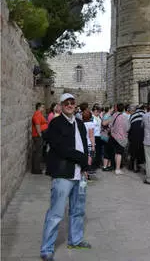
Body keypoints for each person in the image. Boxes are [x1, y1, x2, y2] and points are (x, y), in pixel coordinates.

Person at [40, 93, 91, 261]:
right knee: (56, 213)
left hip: (79, 174)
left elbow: (84, 145)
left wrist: (85, 166)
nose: (70, 105)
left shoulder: (80, 124)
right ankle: (47, 249)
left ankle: (75, 239)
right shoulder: (55, 124)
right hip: (63, 174)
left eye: (72, 102)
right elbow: (60, 149)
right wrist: (83, 158)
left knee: (78, 210)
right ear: (61, 105)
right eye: (66, 103)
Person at [109, 103, 129, 175]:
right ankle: (117, 169)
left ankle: (116, 167)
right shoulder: (124, 117)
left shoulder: (114, 115)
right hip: (121, 137)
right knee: (119, 153)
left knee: (116, 153)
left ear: (116, 108)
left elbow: (110, 125)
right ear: (123, 109)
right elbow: (127, 127)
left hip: (113, 136)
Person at [32, 102, 48, 174]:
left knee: (38, 152)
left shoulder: (39, 114)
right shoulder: (37, 114)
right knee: (38, 153)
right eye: (42, 107)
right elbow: (37, 125)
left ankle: (36, 169)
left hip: (38, 136)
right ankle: (36, 170)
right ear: (38, 107)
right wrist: (40, 134)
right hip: (38, 136)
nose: (43, 108)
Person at [128, 104, 145, 172]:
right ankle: (141, 164)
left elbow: (129, 125)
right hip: (142, 134)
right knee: (142, 150)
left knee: (134, 150)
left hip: (134, 134)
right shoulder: (144, 113)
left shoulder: (132, 115)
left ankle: (133, 166)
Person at [82, 110, 95, 177]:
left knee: (84, 158)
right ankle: (87, 174)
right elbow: (91, 136)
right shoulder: (91, 124)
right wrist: (93, 145)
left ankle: (84, 174)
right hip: (89, 143)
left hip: (82, 143)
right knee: (89, 158)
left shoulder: (81, 124)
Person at [100, 105, 114, 171]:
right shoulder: (107, 116)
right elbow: (104, 123)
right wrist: (110, 120)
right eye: (112, 108)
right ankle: (105, 166)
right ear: (109, 109)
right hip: (106, 136)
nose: (113, 110)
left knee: (109, 151)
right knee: (106, 151)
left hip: (107, 136)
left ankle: (108, 165)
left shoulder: (108, 115)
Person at [92, 105, 102, 169]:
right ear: (93, 111)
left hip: (99, 136)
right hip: (93, 136)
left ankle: (97, 164)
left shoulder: (99, 117)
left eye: (98, 111)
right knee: (93, 151)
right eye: (96, 111)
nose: (97, 112)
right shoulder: (91, 117)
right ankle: (93, 164)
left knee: (98, 151)